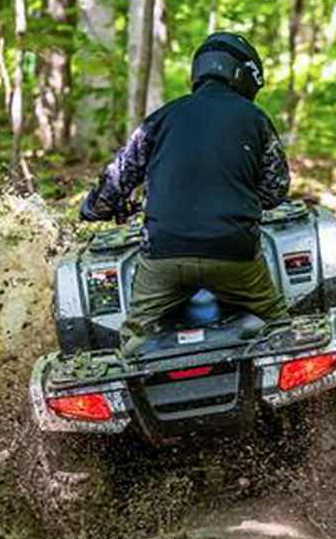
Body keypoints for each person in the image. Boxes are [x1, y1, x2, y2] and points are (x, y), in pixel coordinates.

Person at [80, 32, 291, 354]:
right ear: (243, 74)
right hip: (234, 254)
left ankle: (136, 382)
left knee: (134, 342)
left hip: (164, 254)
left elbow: (117, 177)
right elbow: (276, 189)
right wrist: (238, 197)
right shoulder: (256, 120)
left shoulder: (162, 118)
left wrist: (94, 209)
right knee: (278, 327)